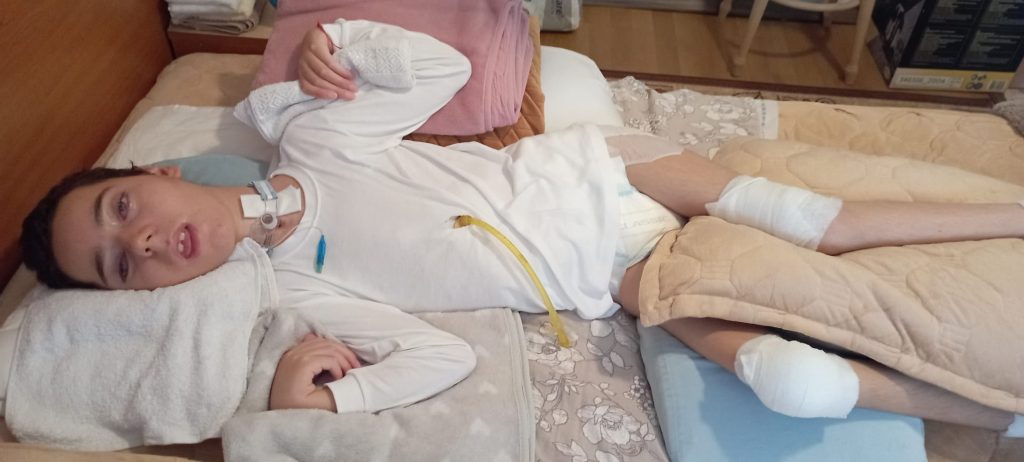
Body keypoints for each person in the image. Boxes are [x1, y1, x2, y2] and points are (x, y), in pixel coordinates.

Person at [19, 18, 1024, 435]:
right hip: (605, 278)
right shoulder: (296, 295)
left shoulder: (311, 141)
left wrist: (342, 45)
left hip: (598, 170)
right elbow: (440, 357)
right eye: (119, 269)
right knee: (790, 381)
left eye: (122, 210)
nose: (140, 244)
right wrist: (324, 400)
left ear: (156, 171)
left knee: (805, 220)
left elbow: (446, 70)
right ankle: (1005, 416)